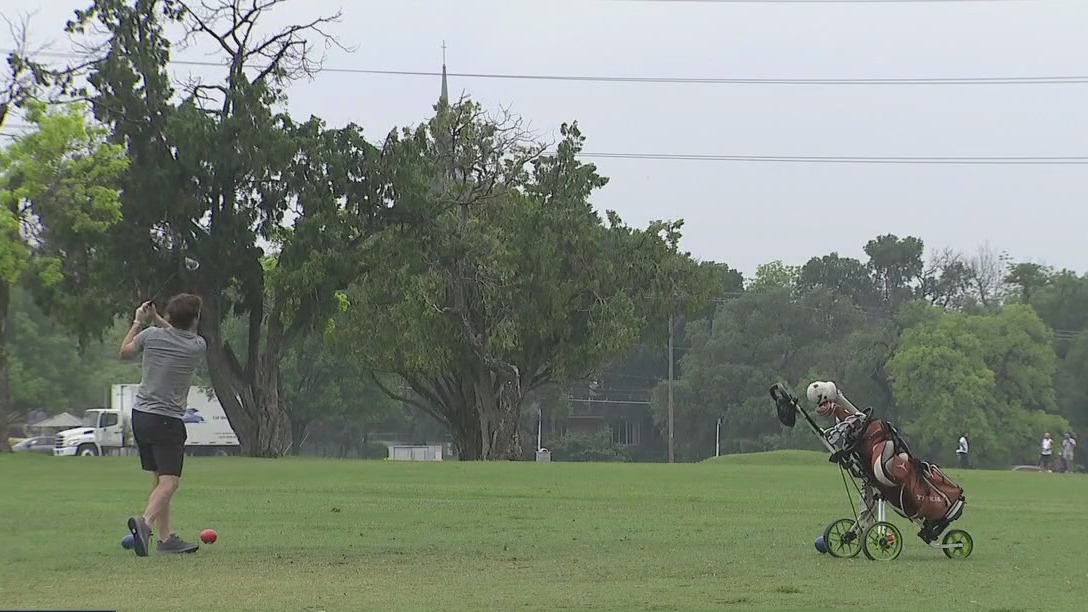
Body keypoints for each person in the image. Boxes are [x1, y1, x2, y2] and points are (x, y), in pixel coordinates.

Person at [119, 294, 206, 556]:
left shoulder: (150, 336)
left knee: (160, 479)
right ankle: (145, 524)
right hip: (167, 420)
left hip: (141, 416)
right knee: (170, 482)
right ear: (195, 319)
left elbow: (125, 352)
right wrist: (158, 318)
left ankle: (166, 539)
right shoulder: (197, 346)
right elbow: (178, 335)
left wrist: (140, 321)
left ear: (170, 316)